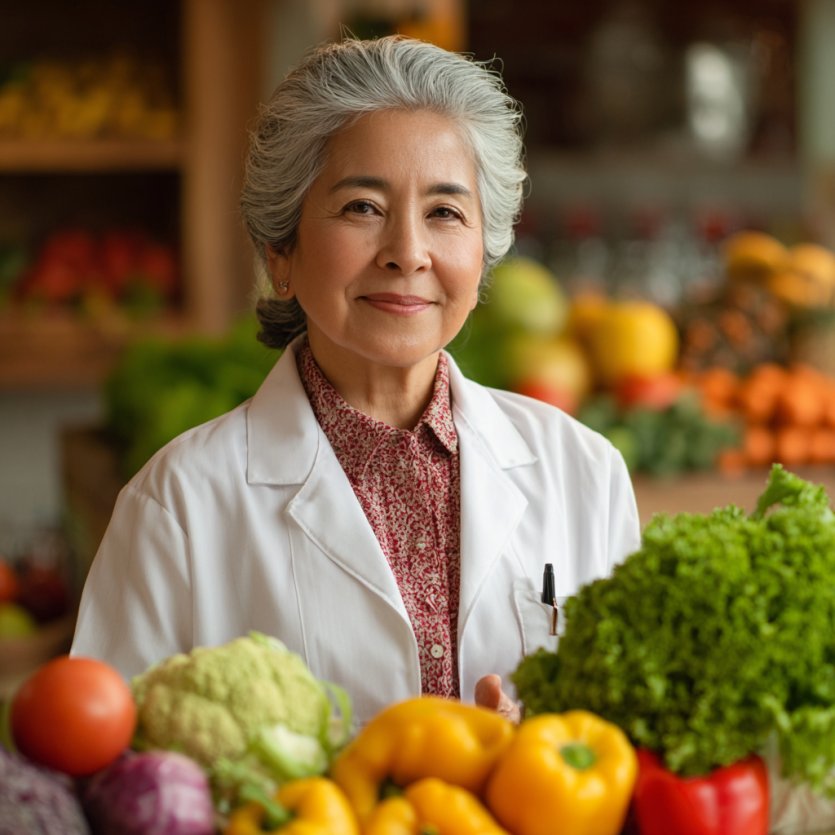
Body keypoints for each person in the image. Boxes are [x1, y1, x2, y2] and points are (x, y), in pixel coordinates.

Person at [72, 36, 640, 724]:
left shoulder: (581, 470)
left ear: (482, 250)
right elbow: (117, 782)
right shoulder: (178, 506)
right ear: (281, 250)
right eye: (362, 207)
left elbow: (633, 742)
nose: (407, 252)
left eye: (444, 212)